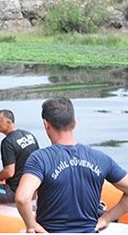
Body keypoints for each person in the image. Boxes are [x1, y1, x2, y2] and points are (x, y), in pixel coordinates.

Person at [15, 97, 128, 233]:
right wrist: (106, 218)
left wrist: (31, 225)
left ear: (46, 124)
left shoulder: (40, 159)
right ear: (75, 123)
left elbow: (22, 198)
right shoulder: (100, 158)